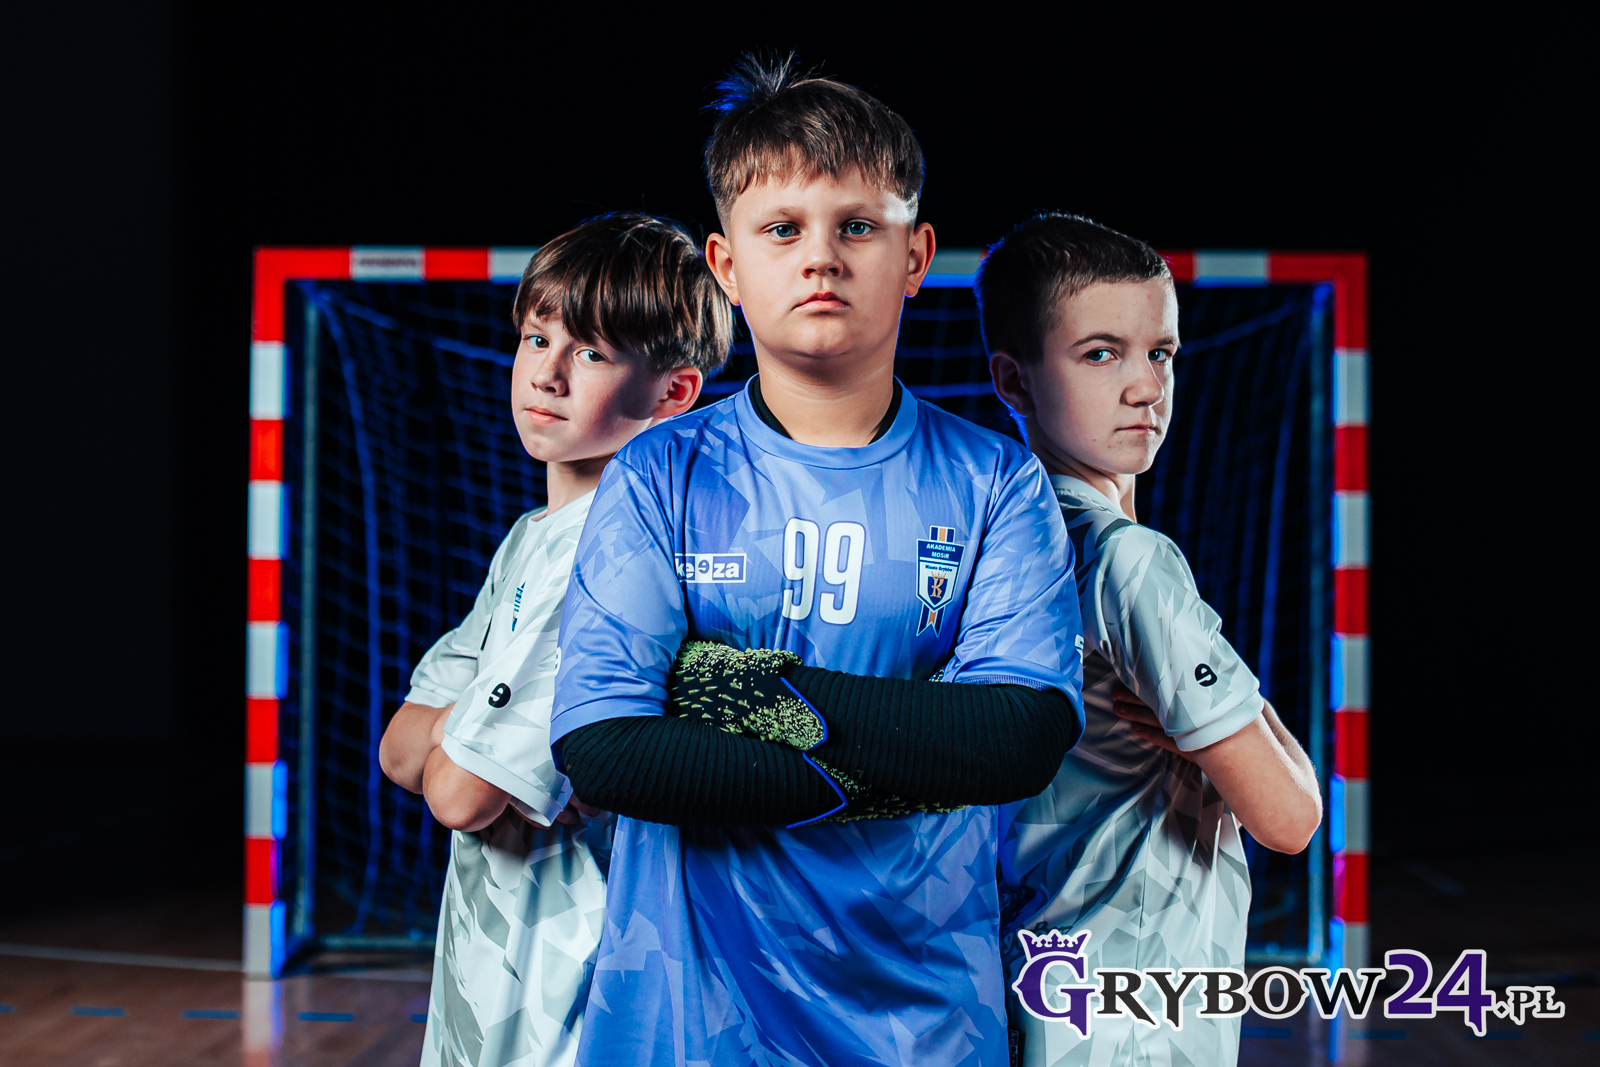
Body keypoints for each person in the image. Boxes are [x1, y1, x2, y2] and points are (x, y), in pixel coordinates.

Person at [545, 57, 1086, 1065]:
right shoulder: (659, 472)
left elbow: (1017, 737)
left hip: (924, 1015)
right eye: (783, 229)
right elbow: (608, 746)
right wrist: (911, 748)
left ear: (916, 255)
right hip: (689, 1018)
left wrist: (732, 690)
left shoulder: (995, 482)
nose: (821, 257)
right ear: (724, 264)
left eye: (858, 226)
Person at [376, 212, 733, 1067]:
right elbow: (399, 749)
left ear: (674, 392)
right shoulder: (530, 539)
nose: (547, 372)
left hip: (569, 991)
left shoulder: (608, 548)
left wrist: (458, 738)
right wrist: (464, 732)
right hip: (491, 980)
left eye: (593, 353)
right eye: (538, 338)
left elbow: (458, 793)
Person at [982, 212, 1323, 1065]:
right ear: (1013, 379)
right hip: (1133, 1015)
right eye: (1101, 353)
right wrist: (1227, 721)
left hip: (1033, 986)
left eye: (1160, 352)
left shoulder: (996, 541)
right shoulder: (1130, 562)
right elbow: (1290, 817)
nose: (1145, 386)